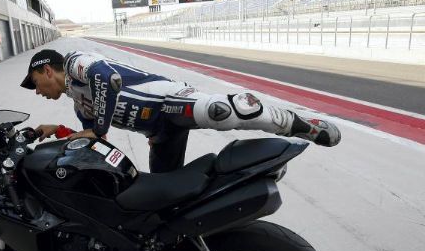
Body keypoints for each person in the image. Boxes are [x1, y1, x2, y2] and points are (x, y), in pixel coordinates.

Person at [21, 49, 341, 173]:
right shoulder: (79, 103)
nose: (37, 91)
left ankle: (299, 124)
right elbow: (91, 140)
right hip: (160, 133)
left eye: (35, 83)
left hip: (168, 101)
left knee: (222, 110)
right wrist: (61, 133)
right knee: (163, 197)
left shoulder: (75, 62)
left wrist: (99, 129)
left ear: (48, 70)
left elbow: (108, 78)